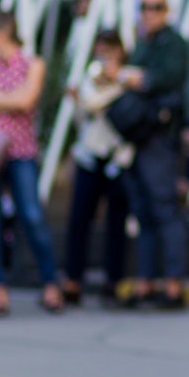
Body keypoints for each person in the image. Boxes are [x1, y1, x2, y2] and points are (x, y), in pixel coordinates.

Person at [0, 6, 65, 315]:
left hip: (21, 151)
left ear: (0, 30)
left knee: (32, 216)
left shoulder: (32, 63)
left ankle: (51, 283)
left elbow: (25, 100)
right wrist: (7, 100)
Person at [120, 0, 189, 310]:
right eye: (145, 7)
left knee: (164, 210)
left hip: (160, 138)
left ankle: (173, 286)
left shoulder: (174, 43)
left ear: (167, 10)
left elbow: (171, 78)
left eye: (156, 7)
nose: (150, 13)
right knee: (144, 212)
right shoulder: (143, 43)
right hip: (138, 135)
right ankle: (146, 283)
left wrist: (138, 78)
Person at [63, 28, 134, 307]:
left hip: (118, 157)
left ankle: (113, 281)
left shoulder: (127, 76)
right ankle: (72, 278)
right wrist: (116, 89)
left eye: (111, 50)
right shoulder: (94, 78)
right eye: (101, 50)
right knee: (79, 218)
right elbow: (88, 105)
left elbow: (92, 101)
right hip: (90, 155)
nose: (105, 56)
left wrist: (114, 84)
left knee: (117, 221)